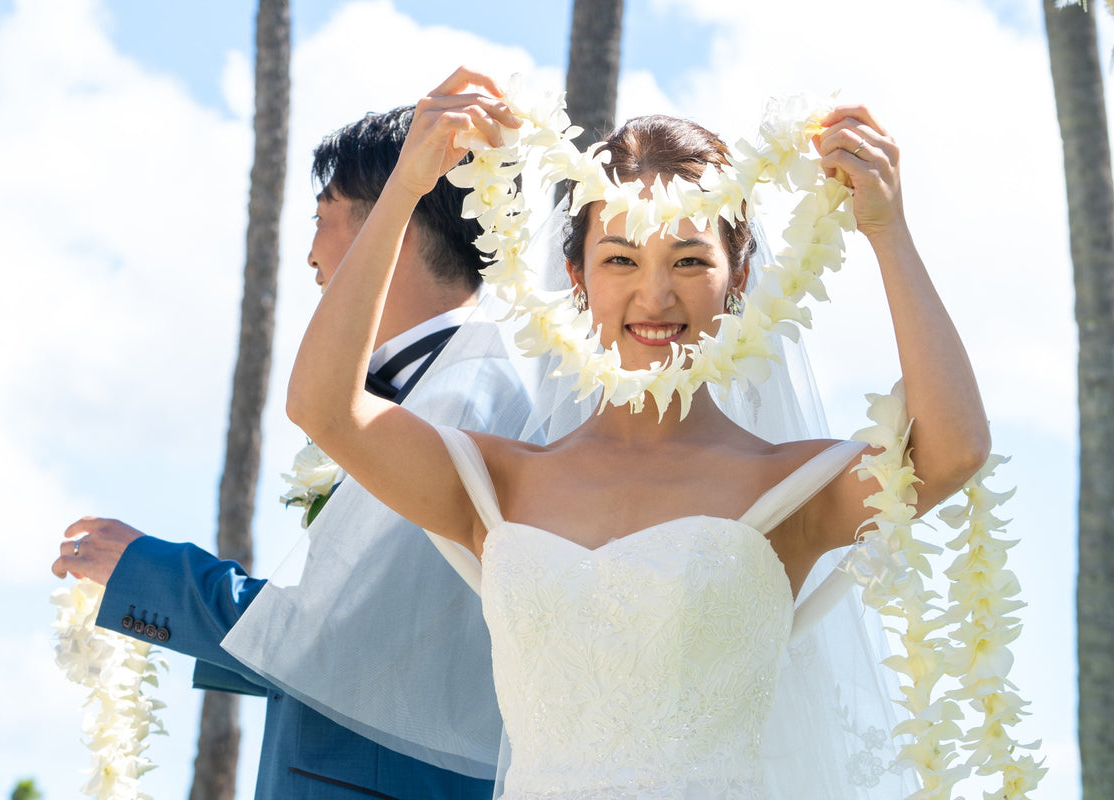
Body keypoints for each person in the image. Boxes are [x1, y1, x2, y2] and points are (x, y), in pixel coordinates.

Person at [272, 66, 991, 799]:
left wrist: (886, 229)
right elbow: (324, 407)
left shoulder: (789, 488)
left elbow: (954, 449)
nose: (655, 295)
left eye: (689, 260)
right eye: (620, 259)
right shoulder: (495, 483)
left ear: (738, 275)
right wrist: (406, 188)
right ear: (576, 275)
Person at [51, 105, 535, 799]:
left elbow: (342, 639)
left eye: (320, 220)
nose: (311, 256)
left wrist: (147, 572)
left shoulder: (463, 399)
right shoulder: (449, 383)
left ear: (387, 228)